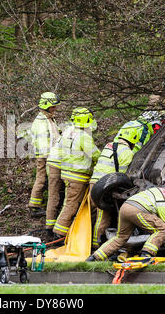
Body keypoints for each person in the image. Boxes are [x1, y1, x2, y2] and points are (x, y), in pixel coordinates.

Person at [86, 187, 165, 262]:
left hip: (125, 207)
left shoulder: (162, 190)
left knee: (121, 237)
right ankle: (146, 255)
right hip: (137, 210)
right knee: (163, 230)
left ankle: (94, 257)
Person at [53, 107, 101, 238]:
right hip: (77, 176)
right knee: (72, 204)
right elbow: (94, 154)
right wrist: (103, 159)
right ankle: (59, 233)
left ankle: (62, 230)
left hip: (68, 173)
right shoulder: (84, 136)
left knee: (68, 202)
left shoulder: (68, 133)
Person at [89, 124, 138, 249]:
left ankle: (87, 242)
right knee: (103, 217)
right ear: (133, 139)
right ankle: (97, 245)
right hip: (104, 186)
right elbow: (122, 176)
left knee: (93, 215)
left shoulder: (109, 145)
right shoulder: (126, 152)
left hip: (93, 182)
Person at [28, 92, 61, 218]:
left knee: (43, 179)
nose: (55, 108)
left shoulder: (48, 118)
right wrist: (49, 157)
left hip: (50, 155)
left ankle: (36, 205)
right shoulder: (42, 121)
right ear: (46, 106)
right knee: (42, 179)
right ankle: (34, 207)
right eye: (53, 106)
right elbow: (43, 142)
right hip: (45, 156)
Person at [44, 124, 73, 242]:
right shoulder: (77, 133)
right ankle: (53, 229)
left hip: (52, 162)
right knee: (56, 195)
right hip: (58, 163)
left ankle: (50, 226)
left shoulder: (69, 129)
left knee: (54, 194)